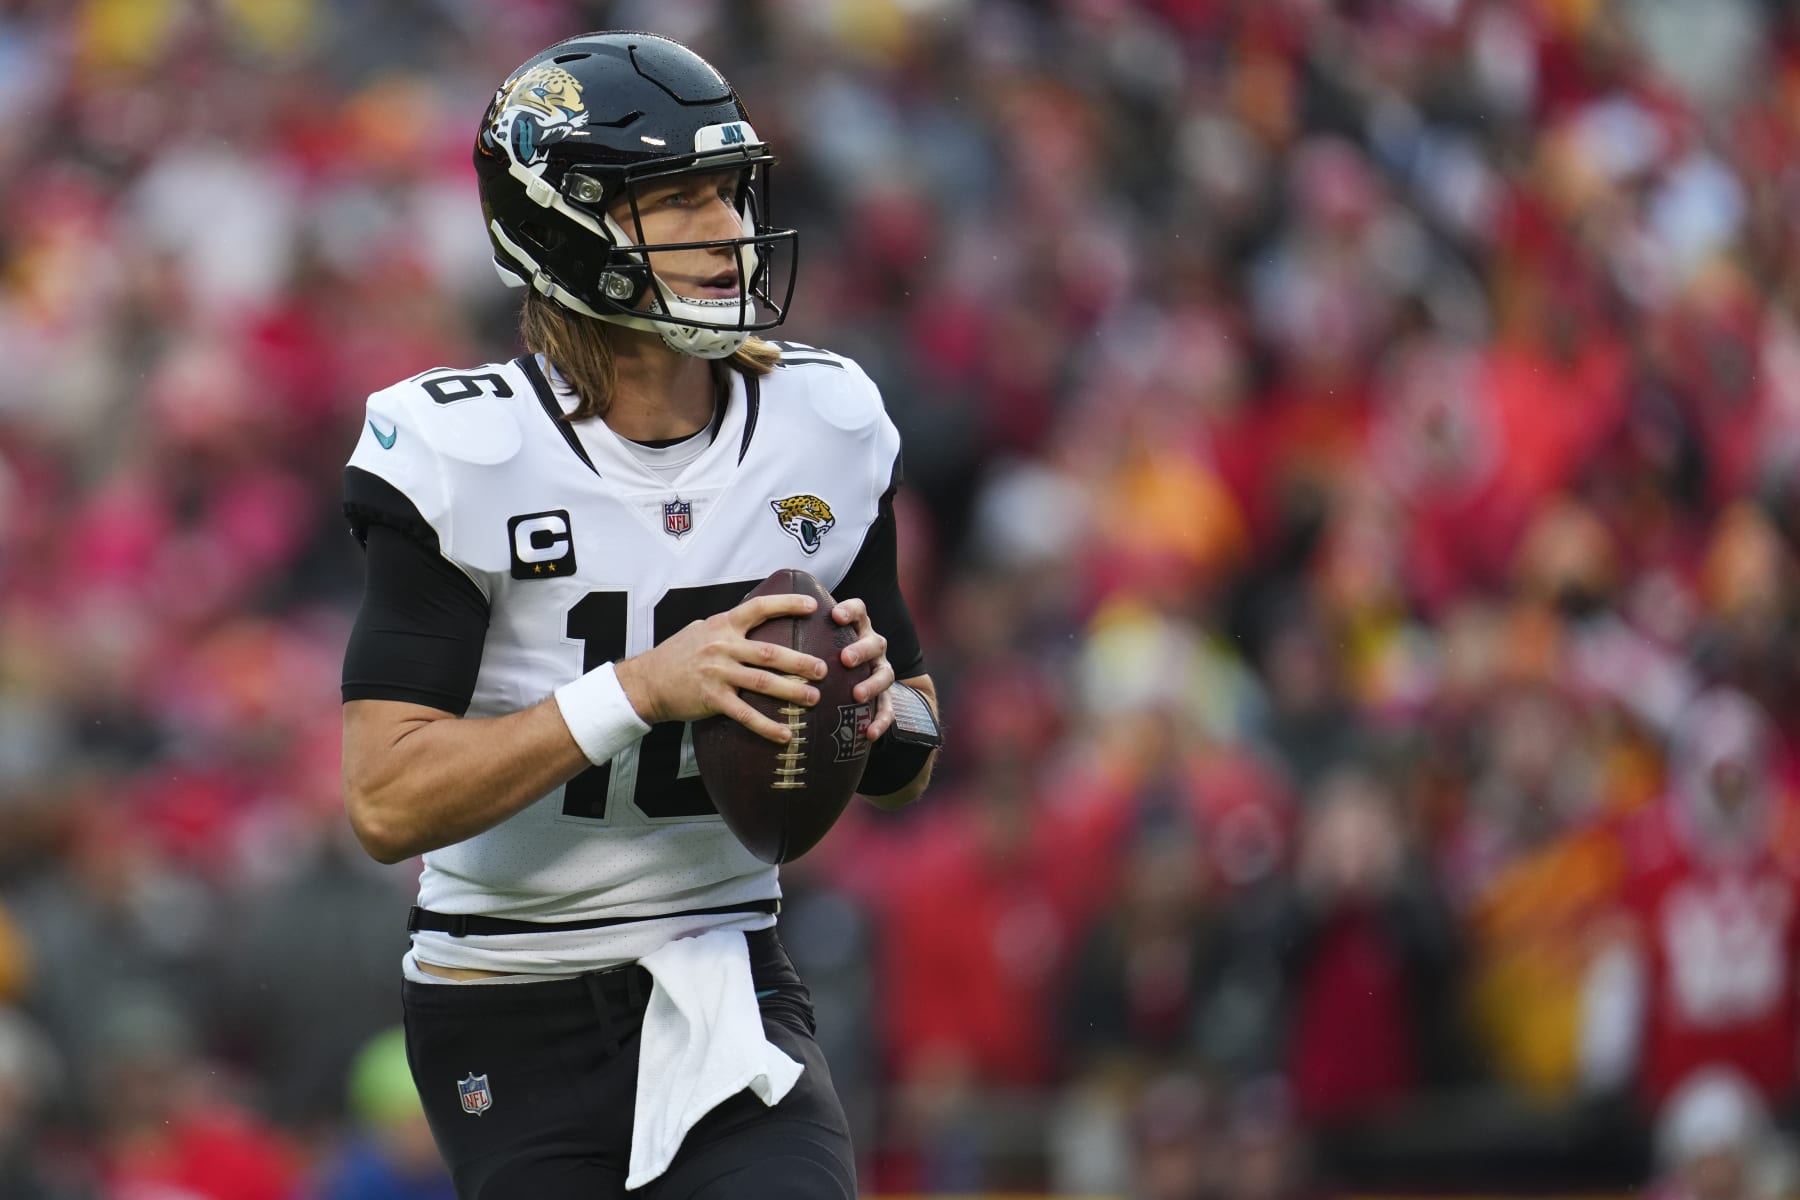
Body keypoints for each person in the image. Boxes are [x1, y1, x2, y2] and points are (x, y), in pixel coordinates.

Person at [338, 30, 941, 1199]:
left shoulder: (826, 423)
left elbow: (910, 740)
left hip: (727, 966)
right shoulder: (467, 452)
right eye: (674, 199)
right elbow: (385, 798)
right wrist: (639, 691)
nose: (724, 227)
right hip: (506, 996)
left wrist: (882, 722)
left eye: (727, 189)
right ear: (561, 226)